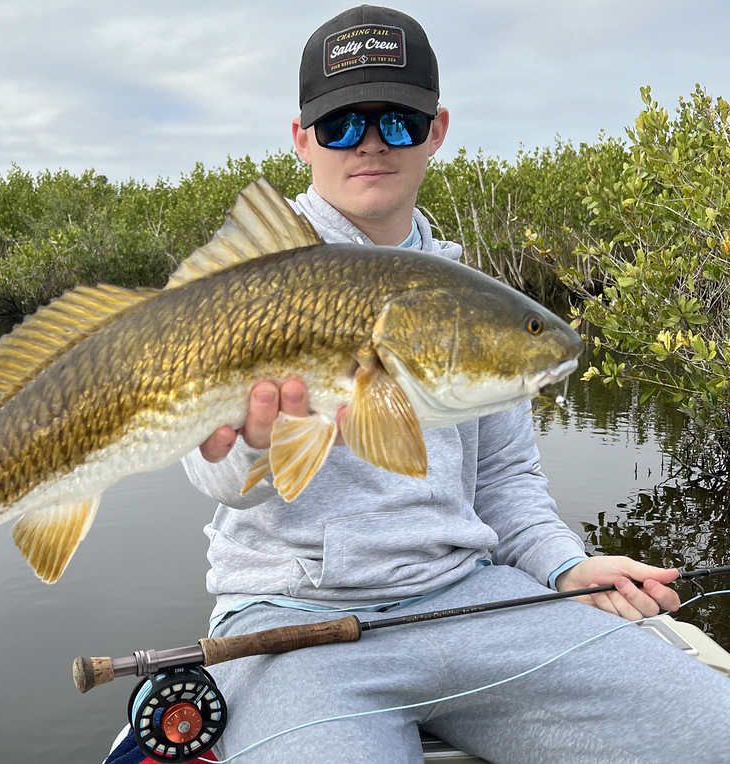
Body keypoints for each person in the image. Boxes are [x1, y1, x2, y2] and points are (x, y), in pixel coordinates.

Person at [180, 6, 730, 763]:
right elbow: (208, 470)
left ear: (436, 130)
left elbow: (506, 480)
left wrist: (565, 563)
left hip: (471, 601)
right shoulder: (249, 277)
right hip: (290, 623)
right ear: (302, 138)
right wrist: (252, 446)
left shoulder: (473, 303)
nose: (371, 142)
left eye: (397, 120)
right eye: (342, 124)